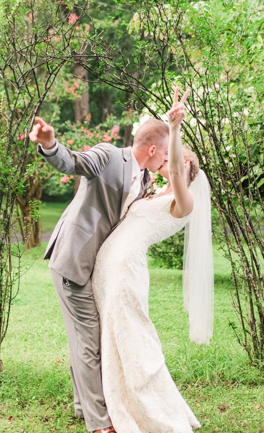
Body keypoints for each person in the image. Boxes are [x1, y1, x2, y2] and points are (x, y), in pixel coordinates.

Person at [29, 111, 170, 433]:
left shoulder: (145, 178)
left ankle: (83, 405)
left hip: (96, 269)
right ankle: (99, 423)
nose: (165, 159)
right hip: (74, 260)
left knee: (88, 339)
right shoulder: (109, 156)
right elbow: (72, 163)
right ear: (152, 149)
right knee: (89, 340)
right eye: (165, 152)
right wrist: (50, 144)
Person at [92, 87, 214, 432]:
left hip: (126, 272)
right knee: (115, 338)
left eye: (174, 159)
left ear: (185, 163)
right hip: (108, 270)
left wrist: (174, 130)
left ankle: (151, 411)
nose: (166, 163)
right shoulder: (150, 190)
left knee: (135, 340)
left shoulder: (184, 202)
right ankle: (114, 405)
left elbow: (175, 170)